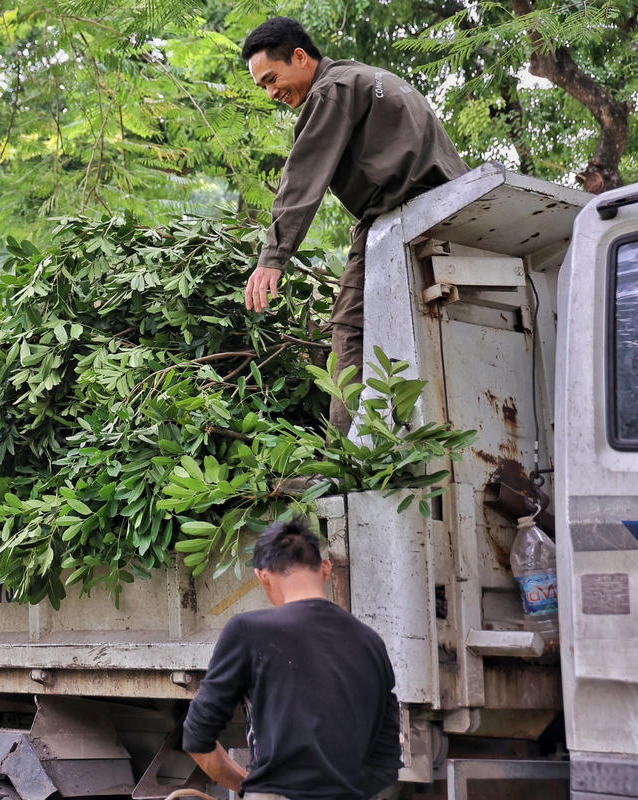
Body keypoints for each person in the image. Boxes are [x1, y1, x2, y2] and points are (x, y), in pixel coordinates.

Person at [240, 18, 468, 434]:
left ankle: (345, 463)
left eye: (272, 79)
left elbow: (303, 175)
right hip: (453, 213)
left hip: (400, 217)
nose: (272, 93)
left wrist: (273, 257)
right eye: (263, 88)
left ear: (299, 57)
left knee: (349, 329)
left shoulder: (331, 89)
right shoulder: (369, 76)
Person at [182, 518, 401, 799]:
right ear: (325, 569)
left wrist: (248, 787)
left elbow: (198, 737)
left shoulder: (247, 631)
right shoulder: (370, 642)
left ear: (262, 576)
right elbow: (387, 759)